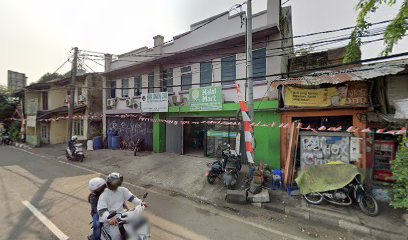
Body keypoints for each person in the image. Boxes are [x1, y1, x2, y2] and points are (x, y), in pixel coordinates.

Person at [97, 172, 144, 240]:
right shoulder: (104, 195)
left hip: (122, 215)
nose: (116, 185)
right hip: (111, 220)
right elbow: (101, 210)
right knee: (116, 236)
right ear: (109, 183)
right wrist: (110, 219)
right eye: (115, 183)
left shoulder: (122, 190)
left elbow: (131, 198)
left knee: (135, 228)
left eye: (118, 183)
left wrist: (140, 202)